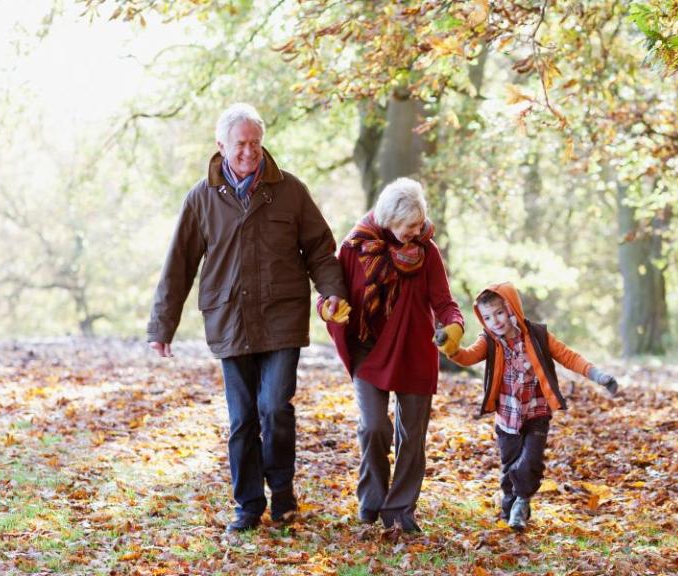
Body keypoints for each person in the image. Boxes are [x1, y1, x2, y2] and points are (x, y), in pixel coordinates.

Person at [147, 103, 350, 533]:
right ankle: (248, 504)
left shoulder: (290, 191)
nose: (249, 151)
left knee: (275, 407)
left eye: (256, 143)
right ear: (221, 146)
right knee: (242, 419)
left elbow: (319, 249)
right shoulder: (201, 198)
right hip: (229, 320)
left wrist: (331, 291)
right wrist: (161, 326)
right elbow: (179, 265)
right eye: (240, 143)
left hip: (282, 318)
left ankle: (282, 494)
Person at [323, 177, 464, 533]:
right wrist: (329, 309)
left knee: (412, 434)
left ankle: (401, 509)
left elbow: (444, 302)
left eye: (420, 224)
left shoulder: (427, 252)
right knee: (374, 427)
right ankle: (371, 500)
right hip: (369, 350)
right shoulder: (355, 248)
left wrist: (454, 326)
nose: (417, 233)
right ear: (388, 219)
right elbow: (333, 294)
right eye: (409, 226)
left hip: (415, 349)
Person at [441, 282, 619, 531]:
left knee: (530, 462)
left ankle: (522, 501)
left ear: (512, 307)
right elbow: (467, 356)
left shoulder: (537, 335)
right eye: (488, 317)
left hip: (536, 412)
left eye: (500, 312)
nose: (496, 321)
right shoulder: (489, 341)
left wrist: (598, 375)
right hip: (507, 417)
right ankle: (511, 510)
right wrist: (450, 348)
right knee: (509, 469)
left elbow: (569, 356)